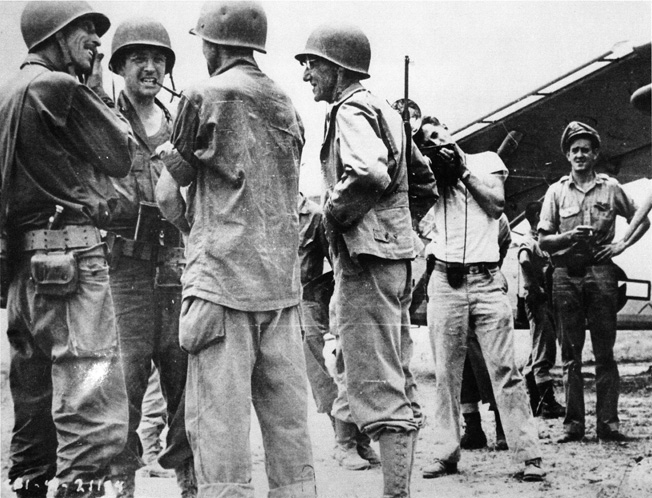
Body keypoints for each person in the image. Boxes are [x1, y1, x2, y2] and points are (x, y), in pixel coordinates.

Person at [155, 2, 316, 496]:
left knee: (221, 443)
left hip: (221, 289)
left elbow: (166, 194)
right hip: (282, 293)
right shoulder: (286, 102)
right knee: (290, 440)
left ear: (212, 44)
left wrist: (196, 231)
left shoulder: (204, 95)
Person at [0, 2, 136, 497]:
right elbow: (120, 152)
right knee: (89, 392)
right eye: (85, 31)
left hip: (23, 270)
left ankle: (29, 485)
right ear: (55, 35)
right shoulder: (58, 87)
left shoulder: (8, 91)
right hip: (73, 263)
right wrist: (94, 88)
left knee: (32, 399)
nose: (97, 41)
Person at [296, 22, 430, 498]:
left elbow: (369, 171)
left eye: (312, 63)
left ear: (337, 67)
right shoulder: (388, 111)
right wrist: (395, 231)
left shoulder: (349, 109)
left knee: (374, 387)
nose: (307, 73)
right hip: (394, 261)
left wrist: (335, 215)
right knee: (398, 379)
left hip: (365, 265)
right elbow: (425, 180)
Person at [419, 116, 545, 482]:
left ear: (449, 129)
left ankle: (529, 456)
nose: (435, 139)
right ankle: (445, 453)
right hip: (444, 279)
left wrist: (461, 171)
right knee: (445, 374)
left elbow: (496, 203)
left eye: (438, 131)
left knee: (506, 371)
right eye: (427, 139)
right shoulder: (429, 174)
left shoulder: (487, 159)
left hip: (487, 280)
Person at [103, 17, 195, 498]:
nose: (150, 67)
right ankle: (121, 486)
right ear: (119, 65)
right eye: (139, 59)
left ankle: (190, 484)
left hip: (177, 269)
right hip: (124, 273)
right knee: (124, 387)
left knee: (186, 390)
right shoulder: (103, 119)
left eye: (158, 59)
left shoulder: (182, 121)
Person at [538, 121, 650, 442]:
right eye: (574, 150)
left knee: (605, 352)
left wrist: (622, 245)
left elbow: (641, 220)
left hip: (601, 274)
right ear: (567, 155)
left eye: (586, 149)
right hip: (565, 275)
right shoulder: (556, 192)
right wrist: (569, 236)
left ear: (596, 153)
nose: (580, 155)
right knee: (571, 354)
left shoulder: (610, 188)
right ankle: (574, 425)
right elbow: (543, 241)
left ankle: (608, 424)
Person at [297, 192, 380, 471]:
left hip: (305, 303)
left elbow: (336, 265)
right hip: (270, 301)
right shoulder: (266, 210)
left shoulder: (314, 216)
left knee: (325, 372)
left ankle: (351, 441)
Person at [458, 213, 511, 451]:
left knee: (493, 358)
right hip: (453, 286)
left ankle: (503, 426)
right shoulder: (445, 208)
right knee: (460, 361)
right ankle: (473, 428)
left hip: (485, 284)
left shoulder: (494, 214)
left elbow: (504, 241)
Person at [518, 201, 565, 418]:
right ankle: (547, 404)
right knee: (544, 351)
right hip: (538, 301)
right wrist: (535, 287)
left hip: (543, 300)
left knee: (539, 348)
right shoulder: (530, 240)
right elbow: (525, 260)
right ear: (537, 215)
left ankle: (535, 402)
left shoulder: (540, 241)